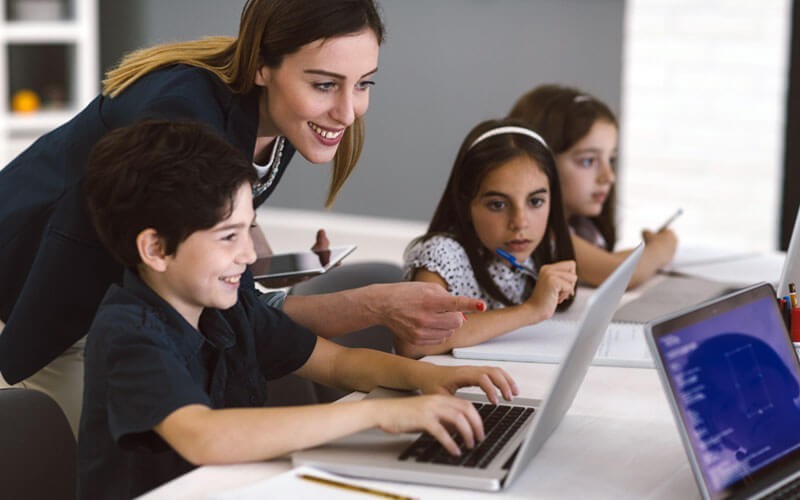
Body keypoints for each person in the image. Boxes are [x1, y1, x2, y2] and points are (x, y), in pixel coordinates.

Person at [0, 0, 482, 434]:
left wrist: (247, 241)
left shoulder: (280, 117)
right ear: (261, 67)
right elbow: (240, 321)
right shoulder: (181, 114)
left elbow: (220, 216)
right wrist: (374, 306)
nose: (348, 111)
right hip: (51, 281)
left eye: (363, 84)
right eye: (324, 84)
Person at [77, 119, 517, 499]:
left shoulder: (228, 310)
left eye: (248, 229)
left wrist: (430, 378)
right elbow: (202, 436)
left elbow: (340, 363)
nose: (249, 254)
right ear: (156, 249)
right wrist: (378, 412)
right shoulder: (128, 332)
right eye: (228, 237)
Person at [398, 119, 578, 358]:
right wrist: (531, 309)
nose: (520, 223)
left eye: (535, 202)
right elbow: (414, 343)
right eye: (498, 204)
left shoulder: (540, 250)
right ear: (465, 204)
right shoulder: (443, 254)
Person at [508, 84, 677, 289]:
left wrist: (646, 252)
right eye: (588, 161)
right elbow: (617, 273)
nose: (608, 177)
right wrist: (661, 248)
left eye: (611, 159)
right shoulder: (542, 231)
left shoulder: (579, 226)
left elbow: (609, 260)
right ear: (540, 162)